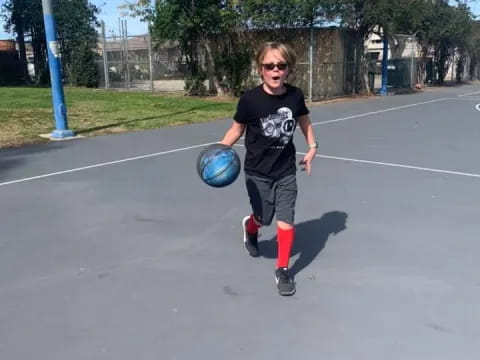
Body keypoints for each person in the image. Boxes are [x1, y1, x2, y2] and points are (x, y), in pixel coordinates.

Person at [220, 42, 318, 296]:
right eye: (269, 65)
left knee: (285, 221)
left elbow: (304, 120)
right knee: (264, 218)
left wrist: (312, 146)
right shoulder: (250, 100)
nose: (275, 70)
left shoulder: (295, 96)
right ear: (260, 69)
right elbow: (236, 129)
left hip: (285, 170)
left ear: (289, 69)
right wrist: (220, 149)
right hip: (257, 172)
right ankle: (251, 227)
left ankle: (283, 269)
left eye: (281, 65)